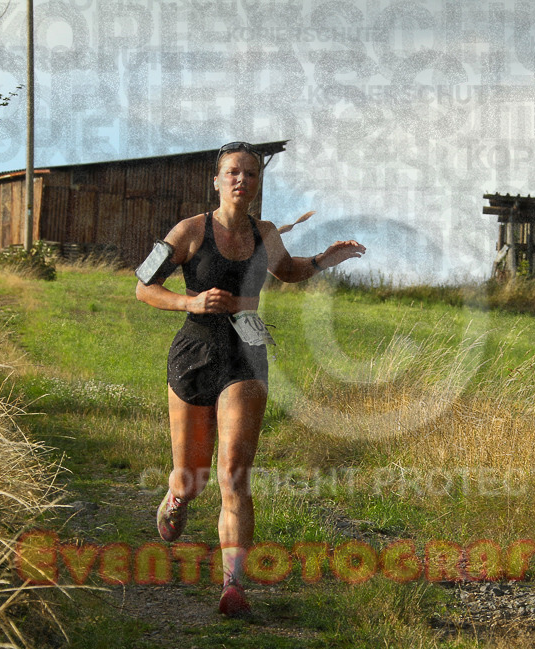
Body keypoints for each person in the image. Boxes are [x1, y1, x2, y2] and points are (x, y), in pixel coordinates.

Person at [135, 141, 365, 616]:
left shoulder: (265, 235)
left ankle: (233, 586)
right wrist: (188, 302)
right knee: (192, 477)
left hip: (247, 353)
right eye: (233, 173)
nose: (242, 180)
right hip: (195, 352)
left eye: (251, 174)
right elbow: (143, 286)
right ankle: (177, 496)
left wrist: (322, 260)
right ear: (217, 181)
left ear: (258, 184)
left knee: (234, 474)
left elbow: (288, 270)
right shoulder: (189, 231)